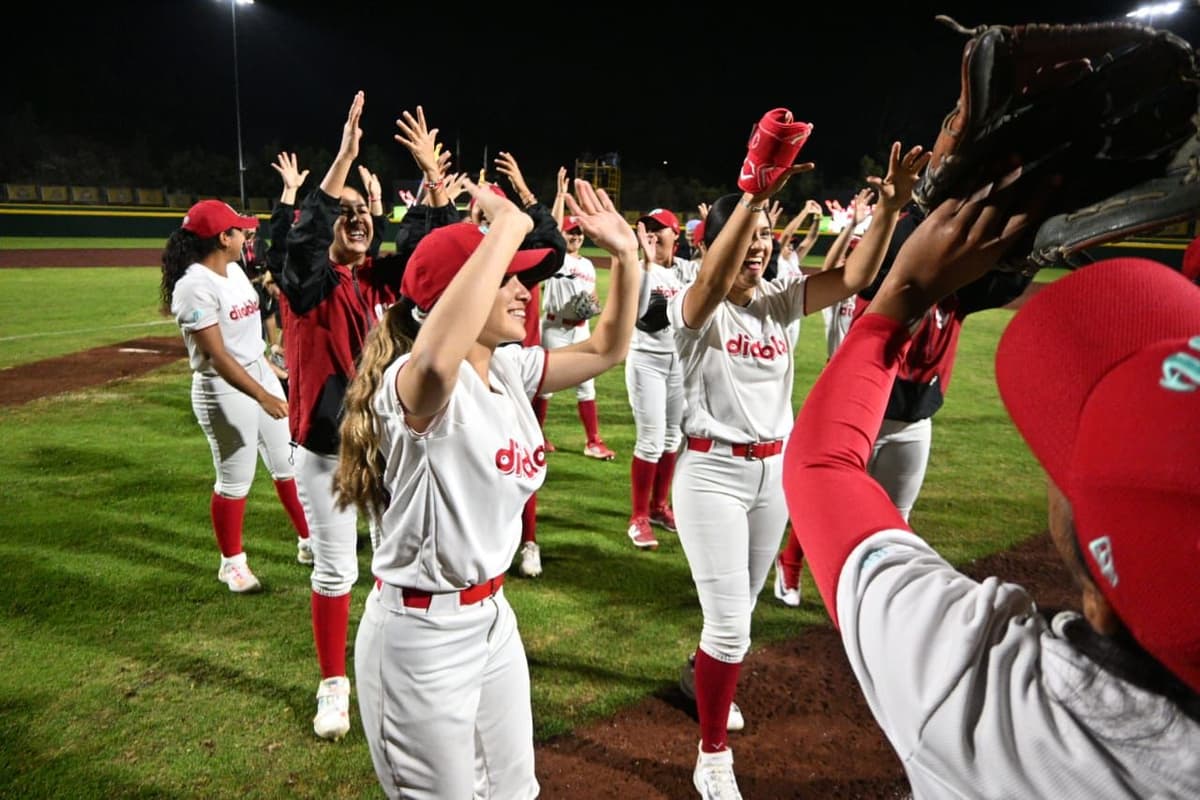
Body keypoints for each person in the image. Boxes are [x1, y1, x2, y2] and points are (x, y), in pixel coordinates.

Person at [782, 170, 1200, 798]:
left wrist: (902, 292)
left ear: (1102, 601)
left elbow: (820, 466)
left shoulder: (990, 700)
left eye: (1071, 465)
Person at [333, 177, 642, 798]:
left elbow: (608, 347)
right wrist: (506, 224)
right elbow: (434, 364)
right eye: (504, 276)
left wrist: (628, 256)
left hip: (493, 619)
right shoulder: (415, 384)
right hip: (421, 641)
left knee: (516, 791)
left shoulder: (507, 367)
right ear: (453, 299)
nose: (522, 289)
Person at [669, 132, 930, 797]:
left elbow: (855, 276)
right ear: (715, 242)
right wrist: (753, 200)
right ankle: (712, 757)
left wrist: (891, 207)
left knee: (737, 615)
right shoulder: (692, 307)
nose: (757, 244)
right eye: (743, 235)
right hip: (712, 474)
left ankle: (697, 675)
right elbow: (707, 280)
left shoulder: (779, 304)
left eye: (763, 236)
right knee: (732, 625)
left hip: (770, 476)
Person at [280, 92, 459, 741]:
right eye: (344, 212)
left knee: (399, 567)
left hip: (388, 447)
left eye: (363, 212)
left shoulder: (379, 281)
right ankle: (333, 687)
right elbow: (300, 243)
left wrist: (433, 181)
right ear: (326, 221)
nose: (356, 219)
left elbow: (431, 249)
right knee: (336, 571)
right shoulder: (307, 284)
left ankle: (397, 672)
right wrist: (345, 158)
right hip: (327, 451)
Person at [159, 199, 311, 593]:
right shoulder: (193, 285)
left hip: (255, 376)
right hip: (223, 389)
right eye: (240, 230)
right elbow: (216, 354)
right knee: (235, 479)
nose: (248, 235)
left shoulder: (234, 272)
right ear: (222, 237)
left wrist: (272, 372)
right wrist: (263, 394)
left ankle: (310, 541)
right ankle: (232, 563)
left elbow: (246, 344)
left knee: (287, 464)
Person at [625, 206, 690, 550]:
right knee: (650, 439)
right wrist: (648, 263)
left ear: (675, 235)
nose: (652, 233)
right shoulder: (638, 269)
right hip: (646, 359)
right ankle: (637, 517)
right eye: (647, 228)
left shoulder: (685, 272)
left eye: (660, 228)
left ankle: (658, 506)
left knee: (671, 438)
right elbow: (638, 314)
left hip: (677, 362)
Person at [537, 213, 616, 461]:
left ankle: (593, 441)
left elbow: (593, 297)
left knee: (586, 386)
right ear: (562, 235)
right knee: (544, 387)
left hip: (581, 329)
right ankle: (535, 436)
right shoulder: (556, 259)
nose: (576, 237)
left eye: (579, 233)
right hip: (554, 328)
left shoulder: (588, 265)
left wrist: (594, 304)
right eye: (571, 232)